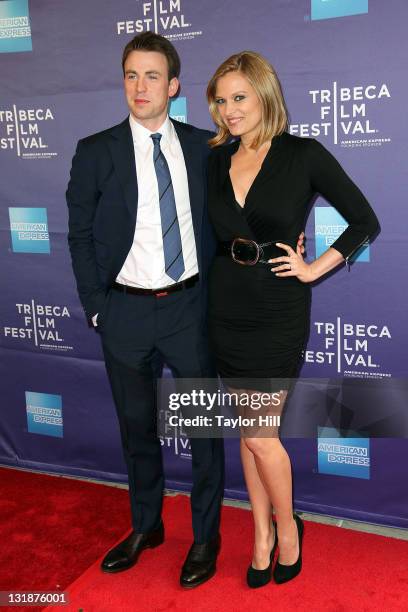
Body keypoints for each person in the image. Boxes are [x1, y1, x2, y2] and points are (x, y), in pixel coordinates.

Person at [206, 51, 379, 588]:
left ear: (264, 94)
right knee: (251, 432)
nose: (229, 110)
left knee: (260, 435)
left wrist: (312, 269)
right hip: (224, 304)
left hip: (277, 308)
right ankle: (261, 532)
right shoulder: (213, 159)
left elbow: (364, 221)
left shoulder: (302, 154)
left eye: (239, 97)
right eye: (220, 100)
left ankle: (288, 531)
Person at [66, 31, 225, 589]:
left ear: (174, 85)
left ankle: (205, 537)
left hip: (189, 308)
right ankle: (146, 525)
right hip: (125, 313)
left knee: (205, 430)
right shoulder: (95, 151)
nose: (140, 86)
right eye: (131, 75)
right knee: (137, 430)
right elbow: (79, 235)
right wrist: (97, 308)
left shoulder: (208, 148)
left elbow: (239, 217)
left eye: (152, 75)